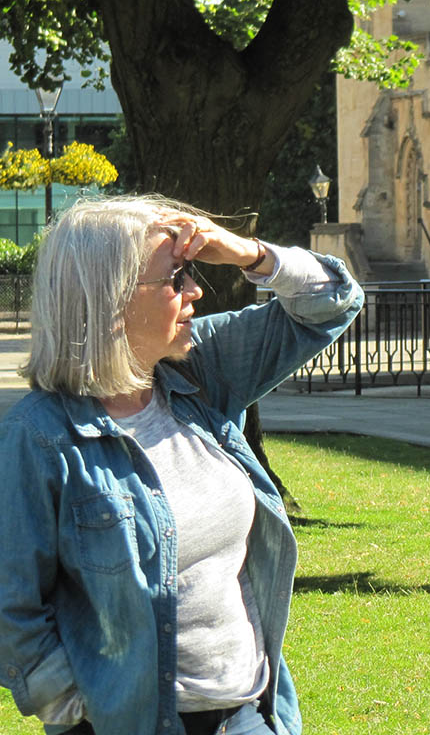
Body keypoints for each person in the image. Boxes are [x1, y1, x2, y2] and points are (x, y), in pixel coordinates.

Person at [0, 196, 364, 735]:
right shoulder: (39, 438)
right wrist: (79, 708)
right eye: (175, 278)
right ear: (110, 299)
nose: (196, 291)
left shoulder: (199, 373)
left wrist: (245, 252)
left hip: (250, 714)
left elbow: (334, 302)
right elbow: (11, 607)